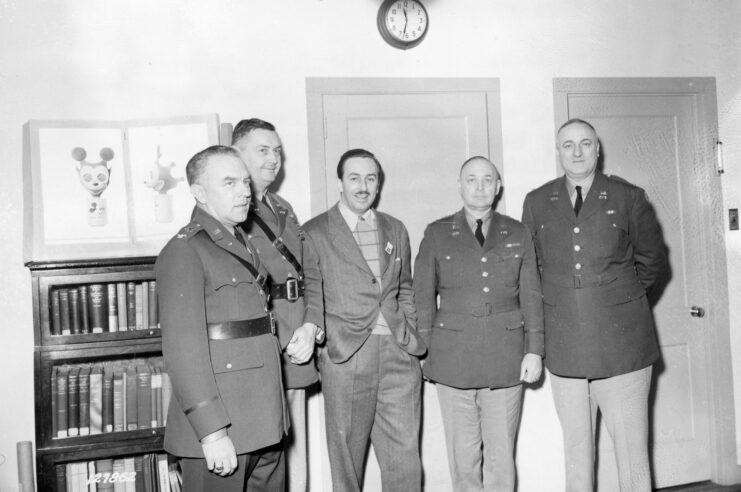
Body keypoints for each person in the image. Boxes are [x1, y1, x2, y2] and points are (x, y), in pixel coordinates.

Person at [522, 119, 667, 492]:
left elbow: (651, 263)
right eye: (568, 145)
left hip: (624, 349)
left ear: (597, 149)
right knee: (577, 458)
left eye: (585, 143)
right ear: (558, 152)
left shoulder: (627, 197)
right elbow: (532, 272)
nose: (577, 152)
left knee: (633, 460)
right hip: (566, 348)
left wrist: (618, 303)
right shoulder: (537, 202)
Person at [155, 145, 287, 491]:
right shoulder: (185, 250)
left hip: (263, 421)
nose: (245, 191)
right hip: (223, 427)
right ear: (199, 193)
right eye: (229, 183)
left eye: (245, 182)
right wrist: (211, 432)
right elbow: (184, 352)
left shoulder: (242, 242)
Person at [413, 156, 544, 492]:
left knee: (501, 457)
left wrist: (535, 351)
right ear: (460, 186)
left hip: (506, 357)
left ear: (498, 187)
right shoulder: (438, 232)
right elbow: (423, 297)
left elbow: (531, 296)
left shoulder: (517, 232)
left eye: (488, 179)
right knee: (463, 458)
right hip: (452, 357)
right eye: (471, 179)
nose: (480, 187)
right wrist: (424, 351)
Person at [303, 148, 426, 491]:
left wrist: (410, 339)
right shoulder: (313, 232)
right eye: (354, 178)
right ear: (340, 183)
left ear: (378, 183)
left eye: (370, 178)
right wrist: (326, 350)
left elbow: (404, 290)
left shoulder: (395, 228)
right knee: (346, 462)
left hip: (399, 356)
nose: (363, 186)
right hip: (347, 356)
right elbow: (311, 297)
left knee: (404, 459)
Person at [232, 118, 324, 492]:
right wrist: (288, 333)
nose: (274, 159)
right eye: (263, 150)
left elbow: (310, 271)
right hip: (265, 345)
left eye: (278, 151)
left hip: (298, 340)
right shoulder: (234, 209)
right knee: (265, 458)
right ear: (236, 154)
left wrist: (311, 324)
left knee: (294, 449)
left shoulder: (281, 205)